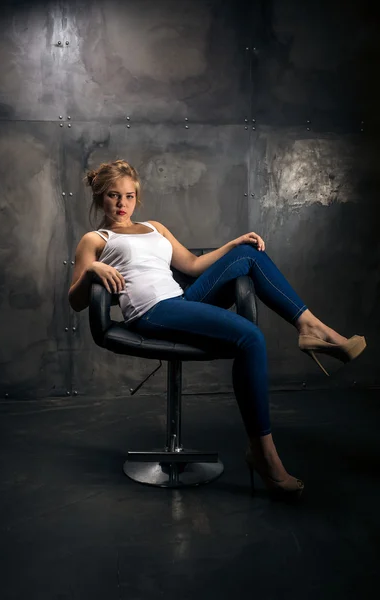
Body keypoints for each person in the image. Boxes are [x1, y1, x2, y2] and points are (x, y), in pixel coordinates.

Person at [68, 159, 366, 501]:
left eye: (129, 196)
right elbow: (76, 301)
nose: (122, 204)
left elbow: (193, 265)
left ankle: (309, 326)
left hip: (182, 300)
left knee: (247, 254)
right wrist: (91, 270)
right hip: (151, 312)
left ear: (137, 198)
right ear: (99, 197)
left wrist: (232, 244)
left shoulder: (155, 228)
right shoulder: (95, 239)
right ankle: (264, 454)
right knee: (251, 337)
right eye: (113, 196)